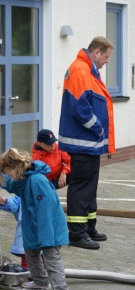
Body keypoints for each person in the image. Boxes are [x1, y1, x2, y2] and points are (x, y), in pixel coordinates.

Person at [0, 148, 72, 290]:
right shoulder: (24, 179)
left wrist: (46, 235)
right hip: (35, 226)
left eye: (8, 172)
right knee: (31, 252)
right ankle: (41, 281)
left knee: (51, 259)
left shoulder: (37, 181)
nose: (8, 176)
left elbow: (46, 209)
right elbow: (12, 186)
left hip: (48, 227)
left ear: (15, 168)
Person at [58, 36, 115, 250]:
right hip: (83, 142)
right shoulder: (81, 70)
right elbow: (80, 107)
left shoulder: (87, 70)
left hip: (89, 144)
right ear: (97, 52)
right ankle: (77, 233)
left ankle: (89, 227)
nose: (107, 61)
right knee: (82, 188)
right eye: (107, 56)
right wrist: (98, 128)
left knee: (90, 188)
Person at [0, 194, 28, 269]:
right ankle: (26, 274)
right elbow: (16, 204)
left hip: (43, 231)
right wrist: (6, 202)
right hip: (26, 231)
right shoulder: (22, 189)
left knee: (46, 258)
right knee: (27, 258)